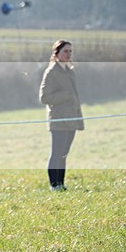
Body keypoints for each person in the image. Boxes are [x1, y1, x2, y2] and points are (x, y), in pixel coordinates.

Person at [39, 40, 83, 191]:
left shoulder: (70, 71)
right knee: (56, 153)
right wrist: (65, 95)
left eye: (70, 51)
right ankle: (54, 185)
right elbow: (44, 97)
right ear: (56, 53)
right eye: (65, 51)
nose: (68, 54)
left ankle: (61, 184)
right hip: (58, 119)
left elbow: (74, 96)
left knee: (64, 154)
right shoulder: (51, 72)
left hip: (72, 118)